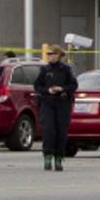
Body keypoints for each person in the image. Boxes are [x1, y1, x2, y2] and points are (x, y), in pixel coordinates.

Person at [33, 42, 79, 171]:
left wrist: (62, 89)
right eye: (48, 54)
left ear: (59, 55)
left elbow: (73, 85)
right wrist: (48, 90)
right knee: (49, 130)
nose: (49, 56)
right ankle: (47, 156)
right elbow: (37, 86)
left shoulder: (66, 69)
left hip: (62, 103)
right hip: (47, 102)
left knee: (61, 131)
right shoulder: (45, 70)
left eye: (52, 54)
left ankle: (59, 157)